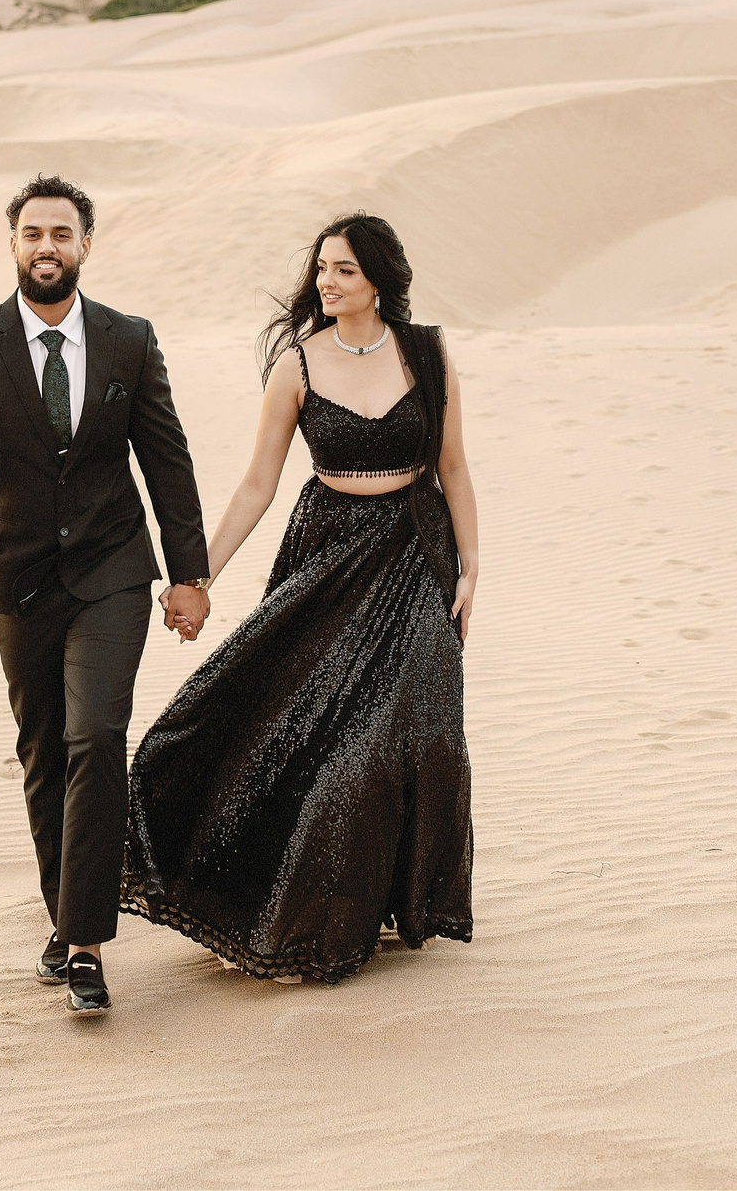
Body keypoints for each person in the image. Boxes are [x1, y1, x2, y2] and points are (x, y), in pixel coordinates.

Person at [121, 211, 478, 984]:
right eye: (322, 269)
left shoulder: (429, 352)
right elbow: (257, 485)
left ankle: (375, 906)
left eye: (344, 269)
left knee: (406, 736)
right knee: (303, 735)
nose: (327, 281)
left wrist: (472, 565)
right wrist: (198, 575)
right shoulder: (297, 366)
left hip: (416, 553)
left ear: (379, 278)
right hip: (327, 556)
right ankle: (293, 916)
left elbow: (453, 468)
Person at [0, 174, 212, 1018]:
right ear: (14, 245)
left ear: (86, 246)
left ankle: (85, 947)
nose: (48, 247)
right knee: (44, 753)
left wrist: (189, 574)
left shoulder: (128, 340)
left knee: (96, 737)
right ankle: (65, 915)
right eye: (33, 234)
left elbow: (168, 459)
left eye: (63, 234)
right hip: (18, 580)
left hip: (115, 571)